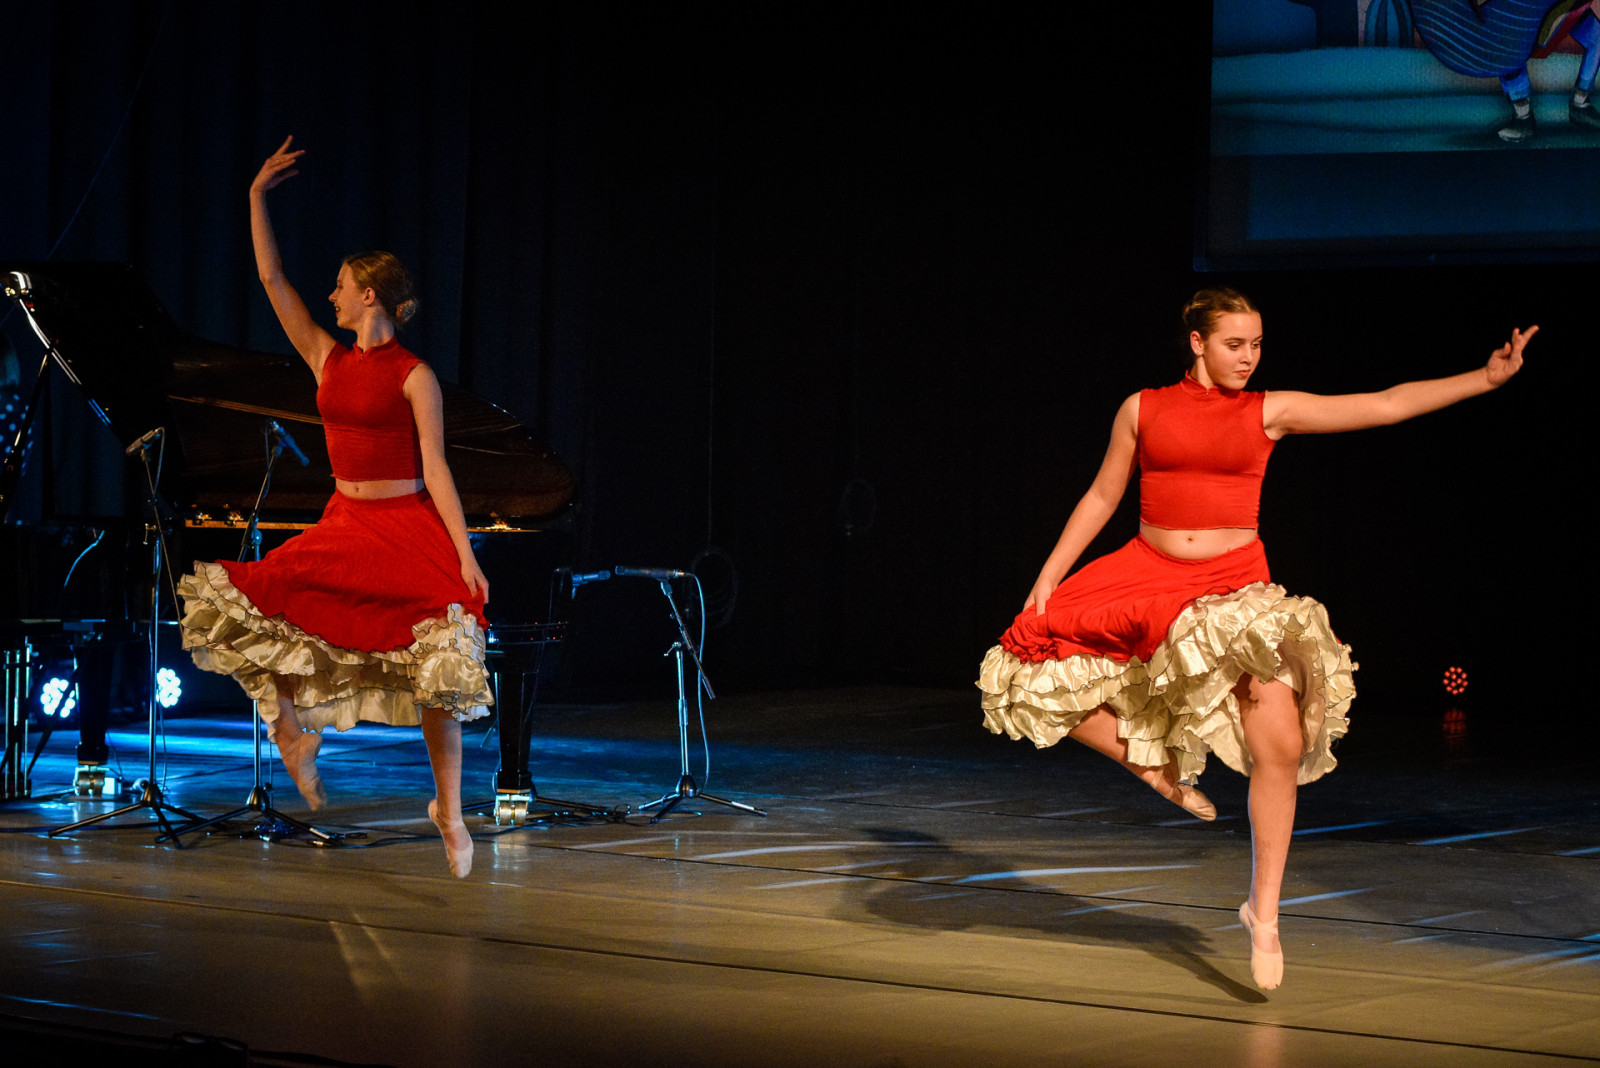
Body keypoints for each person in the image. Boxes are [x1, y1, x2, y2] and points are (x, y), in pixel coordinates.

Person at [976, 288, 1533, 991]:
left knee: (1282, 743)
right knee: (1021, 663)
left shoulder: (1268, 411)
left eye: (1258, 344)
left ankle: (1263, 912)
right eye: (1235, 344)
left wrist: (1484, 379)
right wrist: (1049, 575)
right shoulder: (1142, 408)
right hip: (1145, 573)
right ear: (1198, 342)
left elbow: (1386, 403)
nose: (1249, 357)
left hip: (1231, 588)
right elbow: (1102, 496)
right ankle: (1150, 764)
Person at [177, 136, 492, 878]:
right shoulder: (328, 358)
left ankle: (450, 809)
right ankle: (290, 733)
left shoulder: (415, 376)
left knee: (441, 664)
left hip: (406, 527)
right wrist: (255, 195)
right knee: (265, 600)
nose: (332, 296)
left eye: (343, 287)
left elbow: (437, 468)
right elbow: (271, 276)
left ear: (370, 296)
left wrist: (466, 553)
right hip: (345, 524)